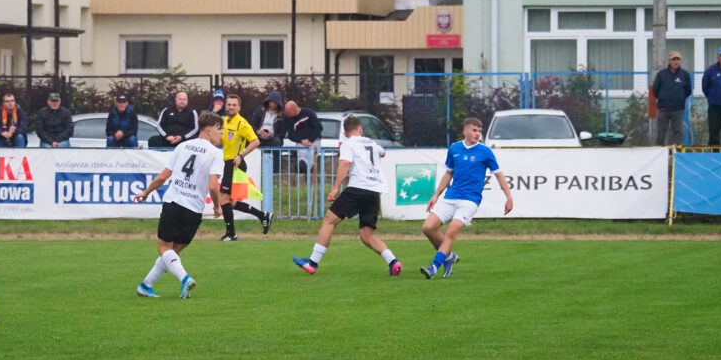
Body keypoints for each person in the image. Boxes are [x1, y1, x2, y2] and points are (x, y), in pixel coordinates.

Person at [292, 115, 401, 277]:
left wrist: (335, 188)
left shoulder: (348, 144)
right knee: (366, 234)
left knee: (329, 220)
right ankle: (393, 261)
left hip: (357, 188)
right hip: (374, 191)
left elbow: (344, 164)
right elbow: (383, 153)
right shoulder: (371, 143)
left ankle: (312, 262)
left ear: (345, 133)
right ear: (360, 129)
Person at [132, 112, 225, 299]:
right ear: (208, 130)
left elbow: (163, 176)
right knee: (173, 251)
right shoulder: (216, 153)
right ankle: (146, 286)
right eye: (219, 129)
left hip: (174, 203)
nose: (222, 133)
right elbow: (213, 186)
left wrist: (146, 192)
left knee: (165, 250)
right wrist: (217, 206)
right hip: (194, 210)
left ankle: (183, 279)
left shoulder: (182, 146)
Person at [420, 117, 514, 279]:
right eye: (474, 130)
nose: (478, 134)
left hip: (470, 200)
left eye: (480, 131)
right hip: (451, 196)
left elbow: (499, 175)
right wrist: (436, 195)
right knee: (428, 228)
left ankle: (434, 267)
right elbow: (448, 173)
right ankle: (449, 257)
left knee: (451, 231)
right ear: (465, 131)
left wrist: (509, 197)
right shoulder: (454, 149)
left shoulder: (485, 152)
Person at [218, 94, 271, 240]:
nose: (231, 107)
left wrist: (241, 155)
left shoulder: (242, 123)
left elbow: (255, 141)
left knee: (224, 199)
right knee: (231, 201)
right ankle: (262, 215)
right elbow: (220, 140)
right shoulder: (223, 122)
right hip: (227, 163)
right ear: (225, 106)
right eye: (229, 104)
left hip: (235, 164)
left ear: (239, 107)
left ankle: (231, 234)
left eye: (234, 105)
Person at [652, 51, 693, 146]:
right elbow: (655, 90)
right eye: (674, 59)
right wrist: (663, 98)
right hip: (663, 109)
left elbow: (688, 91)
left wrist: (679, 98)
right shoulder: (661, 74)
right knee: (661, 132)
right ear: (669, 61)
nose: (676, 62)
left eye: (678, 59)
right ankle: (660, 150)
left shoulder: (685, 74)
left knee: (678, 132)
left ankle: (675, 151)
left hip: (678, 109)